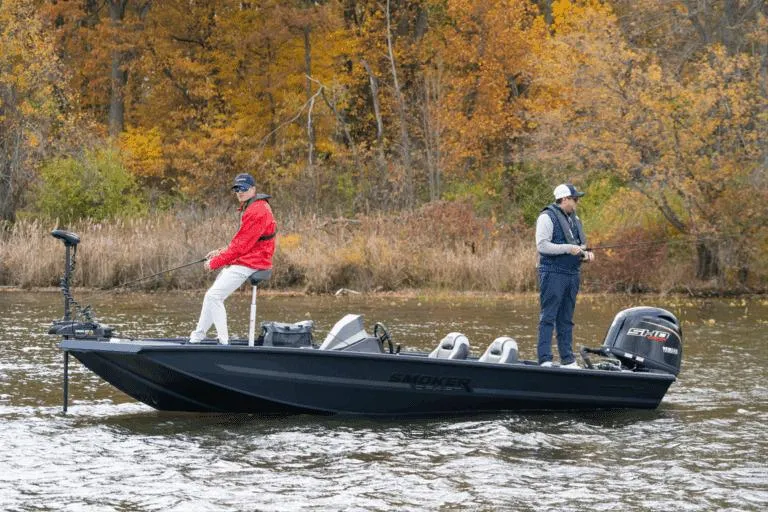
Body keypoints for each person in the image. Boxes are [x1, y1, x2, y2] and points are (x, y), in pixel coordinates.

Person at [189, 173, 276, 344]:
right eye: (237, 189)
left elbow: (240, 247)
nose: (240, 192)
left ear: (253, 189)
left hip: (253, 261)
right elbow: (242, 241)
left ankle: (224, 343)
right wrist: (220, 252)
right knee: (211, 295)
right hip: (249, 257)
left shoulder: (257, 211)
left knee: (214, 296)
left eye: (243, 188)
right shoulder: (253, 207)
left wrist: (215, 263)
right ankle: (197, 337)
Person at [535, 183, 594, 367]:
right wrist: (569, 248)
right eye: (575, 199)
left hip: (571, 274)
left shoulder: (574, 220)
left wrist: (587, 255)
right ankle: (544, 359)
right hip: (552, 273)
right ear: (564, 199)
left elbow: (579, 247)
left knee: (566, 319)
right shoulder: (547, 217)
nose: (577, 203)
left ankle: (567, 360)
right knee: (548, 317)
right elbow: (542, 246)